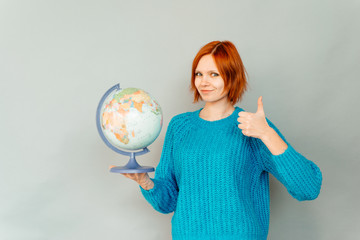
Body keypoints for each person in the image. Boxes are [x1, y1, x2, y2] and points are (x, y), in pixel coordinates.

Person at [121, 40, 323, 240]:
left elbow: (308, 188)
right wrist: (146, 182)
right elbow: (168, 202)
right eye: (198, 74)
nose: (203, 82)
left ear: (232, 76)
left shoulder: (252, 126)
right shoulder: (180, 127)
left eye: (214, 74)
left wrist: (268, 134)